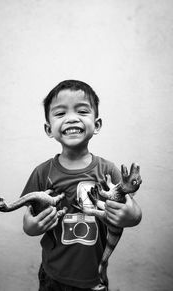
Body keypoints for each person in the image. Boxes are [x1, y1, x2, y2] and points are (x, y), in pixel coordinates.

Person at [21, 80, 142, 291]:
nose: (72, 118)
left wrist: (131, 216)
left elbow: (133, 211)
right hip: (53, 276)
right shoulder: (42, 172)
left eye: (82, 111)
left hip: (93, 277)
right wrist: (31, 227)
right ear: (49, 129)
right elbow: (29, 219)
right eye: (60, 114)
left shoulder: (108, 170)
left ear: (96, 124)